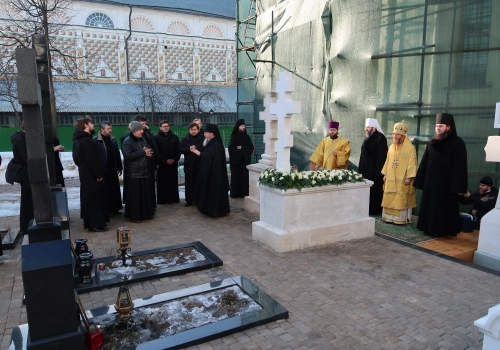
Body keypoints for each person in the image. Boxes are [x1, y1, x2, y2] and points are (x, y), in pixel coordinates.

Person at [414, 113, 468, 237]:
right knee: (430, 205)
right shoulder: (432, 142)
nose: (438, 128)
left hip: (447, 184)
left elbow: (460, 166)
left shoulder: (457, 142)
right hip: (431, 182)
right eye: (437, 126)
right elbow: (425, 162)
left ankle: (442, 231)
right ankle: (427, 228)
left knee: (443, 208)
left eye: (441, 126)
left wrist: (457, 186)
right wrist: (421, 180)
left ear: (448, 127)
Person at [72, 116, 109, 232]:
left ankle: (93, 223)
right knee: (94, 200)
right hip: (91, 176)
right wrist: (98, 175)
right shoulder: (86, 141)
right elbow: (91, 160)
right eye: (91, 123)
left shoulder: (80, 139)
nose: (93, 125)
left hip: (86, 175)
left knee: (90, 199)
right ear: (85, 125)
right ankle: (95, 224)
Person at [381, 121, 418, 224]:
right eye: (394, 134)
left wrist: (409, 177)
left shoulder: (410, 148)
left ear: (403, 136)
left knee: (400, 198)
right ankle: (388, 217)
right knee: (389, 197)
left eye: (397, 135)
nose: (395, 136)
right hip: (391, 178)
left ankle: (400, 219)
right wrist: (385, 174)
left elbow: (412, 164)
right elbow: (387, 161)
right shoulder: (391, 147)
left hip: (403, 179)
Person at [191, 123, 230, 217]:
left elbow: (208, 157)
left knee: (214, 192)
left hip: (215, 175)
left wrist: (196, 152)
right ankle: (207, 208)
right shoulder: (211, 143)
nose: (204, 134)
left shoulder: (216, 144)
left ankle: (214, 210)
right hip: (210, 173)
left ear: (212, 134)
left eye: (206, 133)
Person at [121, 115, 158, 210]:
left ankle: (145, 213)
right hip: (135, 173)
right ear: (135, 130)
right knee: (136, 198)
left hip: (144, 172)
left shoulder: (142, 139)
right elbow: (128, 155)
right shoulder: (127, 141)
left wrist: (149, 151)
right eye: (141, 128)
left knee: (144, 196)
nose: (143, 130)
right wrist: (143, 152)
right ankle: (135, 216)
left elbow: (150, 148)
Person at [358, 118, 388, 215]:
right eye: (366, 127)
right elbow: (362, 154)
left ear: (374, 128)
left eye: (368, 127)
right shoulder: (367, 137)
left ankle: (374, 210)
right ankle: (364, 208)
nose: (366, 129)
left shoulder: (381, 138)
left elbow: (382, 155)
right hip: (365, 169)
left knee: (374, 192)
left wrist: (378, 171)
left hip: (374, 171)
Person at [94, 121, 123, 215]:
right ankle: (107, 210)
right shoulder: (96, 141)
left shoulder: (113, 140)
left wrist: (119, 166)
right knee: (106, 191)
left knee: (114, 190)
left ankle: (115, 209)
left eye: (111, 128)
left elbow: (117, 154)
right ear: (102, 129)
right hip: (103, 171)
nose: (110, 130)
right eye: (108, 129)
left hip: (113, 169)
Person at [11, 123, 34, 234]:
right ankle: (26, 227)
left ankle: (27, 226)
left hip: (28, 173)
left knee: (29, 201)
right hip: (26, 175)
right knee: (27, 202)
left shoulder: (22, 139)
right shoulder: (20, 140)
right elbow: (26, 158)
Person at [155, 120, 180, 204]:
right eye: (164, 126)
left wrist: (174, 159)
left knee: (173, 182)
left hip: (173, 164)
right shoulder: (156, 138)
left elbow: (178, 150)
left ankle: (174, 198)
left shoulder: (174, 137)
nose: (166, 128)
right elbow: (156, 151)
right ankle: (163, 200)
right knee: (162, 183)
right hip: (162, 165)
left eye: (167, 126)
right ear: (160, 127)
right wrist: (165, 160)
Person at [179, 122, 204, 207]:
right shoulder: (185, 139)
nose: (193, 131)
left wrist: (197, 149)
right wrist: (188, 149)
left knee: (199, 183)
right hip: (189, 164)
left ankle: (198, 199)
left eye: (195, 130)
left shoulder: (203, 138)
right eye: (191, 130)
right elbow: (180, 149)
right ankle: (189, 200)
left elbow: (205, 149)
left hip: (199, 164)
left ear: (198, 130)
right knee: (189, 183)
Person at [228, 119, 254, 198]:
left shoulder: (247, 137)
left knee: (244, 179)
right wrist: (239, 152)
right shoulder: (234, 137)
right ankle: (235, 193)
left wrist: (242, 148)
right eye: (241, 126)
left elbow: (250, 147)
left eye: (244, 126)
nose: (243, 127)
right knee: (236, 179)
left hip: (244, 162)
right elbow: (231, 149)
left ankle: (244, 193)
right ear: (238, 127)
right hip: (236, 162)